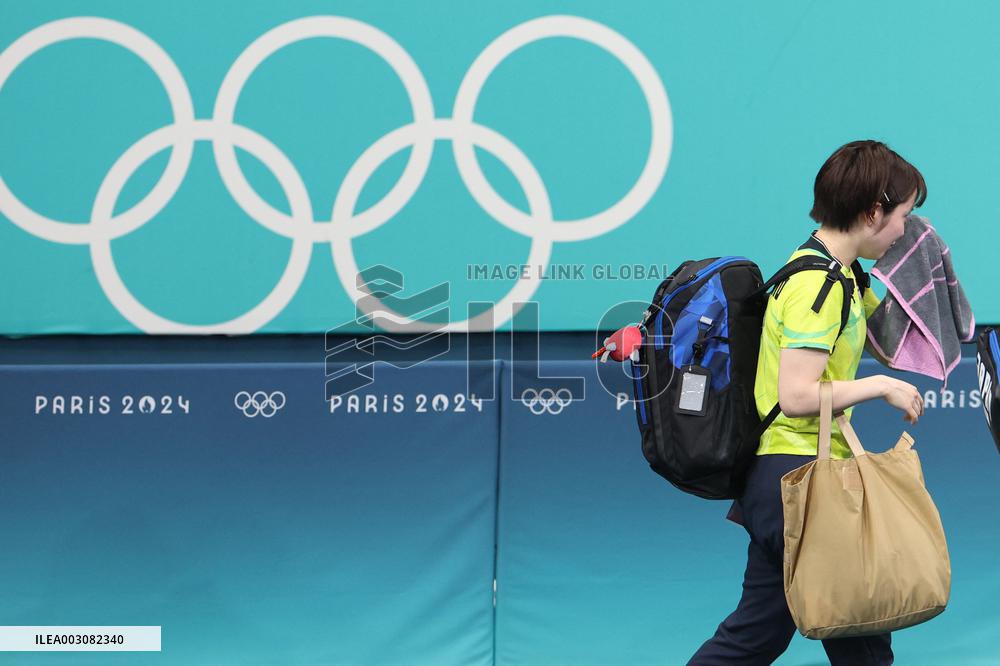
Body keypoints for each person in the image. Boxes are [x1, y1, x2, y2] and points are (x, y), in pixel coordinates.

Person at [688, 140, 928, 665]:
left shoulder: (840, 276)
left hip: (788, 479)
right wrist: (880, 387)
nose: (904, 230)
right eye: (903, 216)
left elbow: (900, 330)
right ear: (871, 212)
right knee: (861, 631)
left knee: (756, 637)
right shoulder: (817, 286)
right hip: (798, 479)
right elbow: (797, 396)